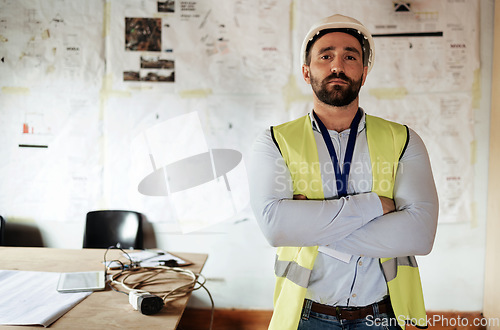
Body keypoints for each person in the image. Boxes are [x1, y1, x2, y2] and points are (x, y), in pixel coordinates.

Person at [248, 14, 439, 330]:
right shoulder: (275, 141)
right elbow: (275, 228)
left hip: (383, 315)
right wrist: (374, 207)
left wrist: (310, 225)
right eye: (326, 56)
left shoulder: (403, 139)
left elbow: (420, 235)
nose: (338, 65)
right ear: (307, 72)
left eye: (350, 56)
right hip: (306, 316)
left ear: (364, 74)